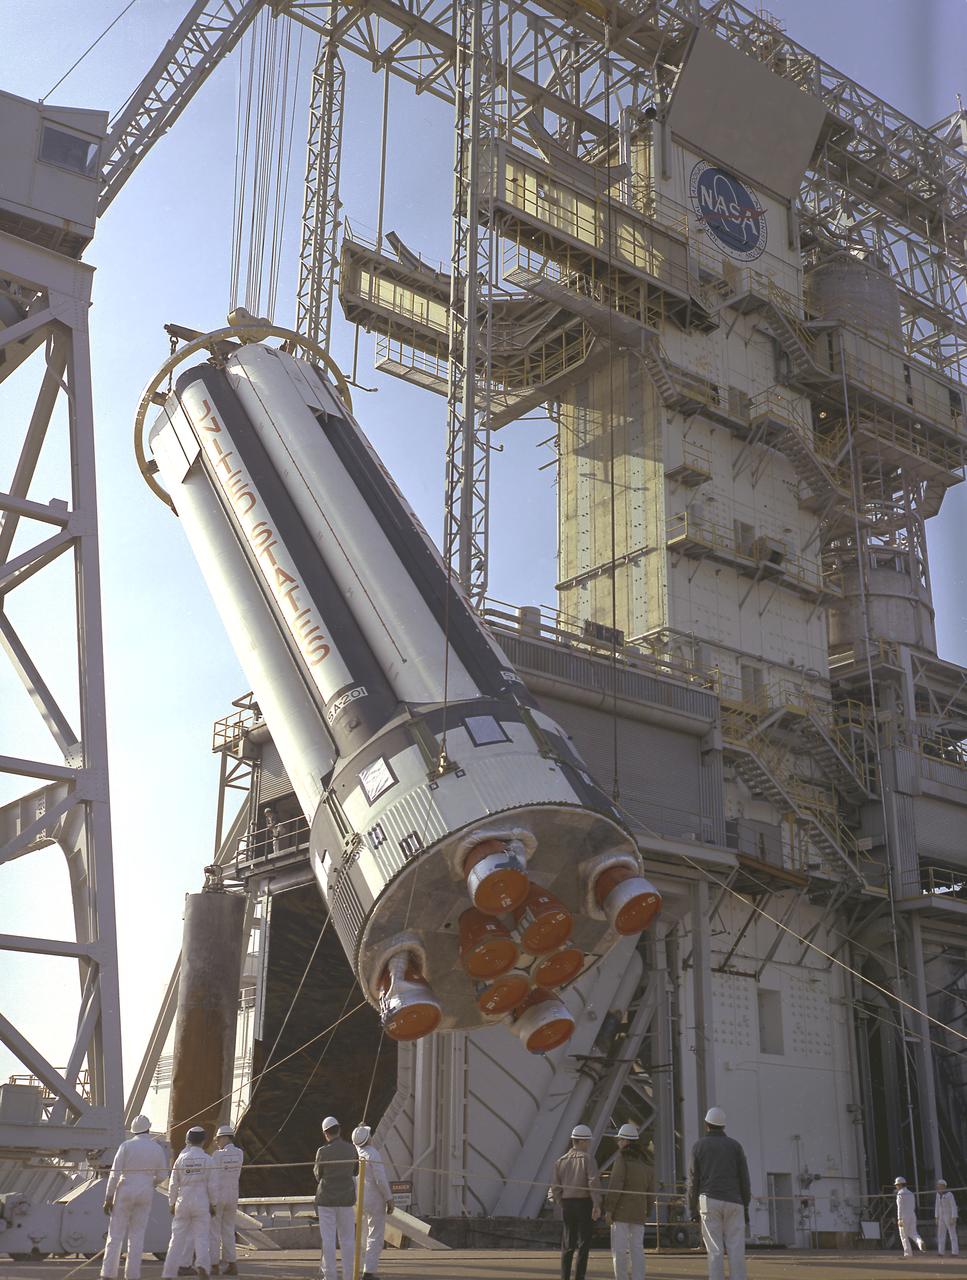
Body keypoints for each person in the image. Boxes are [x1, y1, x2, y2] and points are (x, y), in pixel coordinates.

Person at [100, 1114, 169, 1280]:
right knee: (137, 1236)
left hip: (125, 1189)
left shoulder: (126, 1146)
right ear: (148, 1128)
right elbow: (162, 1175)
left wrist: (108, 1197)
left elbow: (114, 1174)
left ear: (133, 1130)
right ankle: (132, 1275)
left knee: (115, 1235)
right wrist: (150, 1182)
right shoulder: (157, 1148)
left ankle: (107, 1274)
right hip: (145, 1190)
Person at [687, 1107, 750, 1280]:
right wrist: (746, 1206)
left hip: (709, 1200)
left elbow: (694, 1181)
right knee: (736, 1249)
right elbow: (744, 1179)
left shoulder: (698, 1146)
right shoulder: (736, 1146)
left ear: (706, 1124)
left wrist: (692, 1208)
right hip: (734, 1201)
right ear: (723, 1126)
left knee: (714, 1250)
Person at [162, 1126, 215, 1280]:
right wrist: (214, 1204)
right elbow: (213, 1185)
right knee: (201, 1237)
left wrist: (171, 1203)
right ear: (204, 1141)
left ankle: (168, 1272)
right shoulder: (208, 1160)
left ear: (187, 1141)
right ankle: (203, 1266)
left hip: (183, 1199)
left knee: (176, 1238)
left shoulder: (181, 1159)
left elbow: (173, 1184)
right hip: (201, 1200)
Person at [552, 1123, 603, 1280]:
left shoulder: (560, 1161)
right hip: (584, 1203)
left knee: (567, 1245)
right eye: (587, 1141)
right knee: (583, 1244)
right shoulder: (588, 1159)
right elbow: (593, 1182)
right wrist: (596, 1204)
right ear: (581, 1141)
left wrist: (562, 1203)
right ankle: (579, 1277)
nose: (589, 1144)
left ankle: (564, 1277)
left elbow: (555, 1188)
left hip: (567, 1204)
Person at [604, 1123, 655, 1280]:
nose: (619, 1143)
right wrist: (648, 1209)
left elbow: (616, 1185)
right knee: (637, 1249)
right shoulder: (647, 1162)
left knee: (619, 1250)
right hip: (639, 1213)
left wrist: (609, 1209)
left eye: (620, 1140)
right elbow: (651, 1191)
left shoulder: (622, 1160)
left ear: (626, 1141)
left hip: (621, 1213)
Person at [314, 1116, 358, 1280]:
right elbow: (356, 1172)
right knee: (347, 1240)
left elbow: (318, 1175)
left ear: (325, 1133)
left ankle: (330, 1276)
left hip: (327, 1200)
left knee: (328, 1240)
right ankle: (349, 1276)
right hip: (346, 1200)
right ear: (339, 1129)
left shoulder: (322, 1152)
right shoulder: (351, 1150)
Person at [351, 1124, 394, 1280]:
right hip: (375, 1201)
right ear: (367, 1139)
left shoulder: (356, 1152)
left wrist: (359, 1129)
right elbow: (380, 1180)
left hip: (359, 1199)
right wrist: (389, 1198)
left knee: (361, 1237)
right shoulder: (373, 1154)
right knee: (375, 1236)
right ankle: (368, 1272)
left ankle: (359, 1267)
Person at [209, 1124, 244, 1276]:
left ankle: (214, 1265)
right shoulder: (240, 1154)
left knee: (214, 1231)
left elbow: (211, 1177)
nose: (217, 1142)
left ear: (225, 1137)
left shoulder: (217, 1155)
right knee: (229, 1230)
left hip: (219, 1196)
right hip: (233, 1195)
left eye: (218, 1139)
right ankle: (231, 1264)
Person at [895, 1176, 925, 1256]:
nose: (896, 1186)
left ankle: (908, 1253)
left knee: (903, 1235)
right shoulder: (911, 1193)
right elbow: (913, 1205)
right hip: (912, 1215)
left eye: (897, 1185)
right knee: (913, 1233)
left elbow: (900, 1207)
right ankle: (920, 1242)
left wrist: (899, 1218)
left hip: (904, 1216)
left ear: (900, 1185)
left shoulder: (900, 1193)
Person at [935, 1179, 959, 1255]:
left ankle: (955, 1252)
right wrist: (936, 1217)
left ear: (944, 1186)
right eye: (938, 1185)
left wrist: (954, 1217)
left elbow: (953, 1206)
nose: (938, 1186)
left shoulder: (949, 1194)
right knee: (941, 1234)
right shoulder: (938, 1195)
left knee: (952, 1234)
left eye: (940, 1185)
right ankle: (940, 1252)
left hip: (949, 1216)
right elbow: (937, 1206)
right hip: (941, 1217)